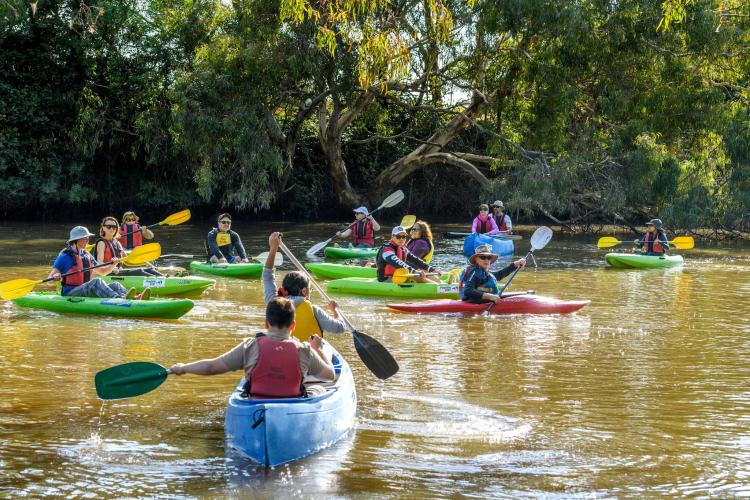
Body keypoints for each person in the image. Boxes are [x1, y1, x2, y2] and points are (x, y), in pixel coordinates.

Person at [169, 297, 335, 398]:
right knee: (319, 388)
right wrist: (319, 349)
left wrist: (183, 368)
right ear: (293, 326)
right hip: (290, 404)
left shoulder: (249, 346)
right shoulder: (304, 350)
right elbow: (329, 375)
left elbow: (212, 367)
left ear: (266, 323)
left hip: (256, 403)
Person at [262, 232, 346, 335]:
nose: (310, 292)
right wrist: (335, 311)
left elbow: (267, 275)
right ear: (304, 291)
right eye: (310, 289)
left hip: (281, 348)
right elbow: (340, 328)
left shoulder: (274, 302)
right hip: (306, 350)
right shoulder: (314, 310)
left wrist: (273, 248)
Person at [48, 226, 149, 299]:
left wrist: (112, 264)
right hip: (70, 292)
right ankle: (119, 299)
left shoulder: (87, 255)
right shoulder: (65, 256)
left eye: (88, 238)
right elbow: (49, 279)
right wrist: (55, 277)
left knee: (116, 285)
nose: (87, 241)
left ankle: (134, 298)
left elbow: (103, 272)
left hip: (86, 289)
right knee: (96, 282)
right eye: (85, 239)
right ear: (76, 240)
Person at [94, 217, 162, 277]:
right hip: (109, 274)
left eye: (114, 227)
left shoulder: (117, 243)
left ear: (117, 229)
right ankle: (161, 281)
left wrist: (147, 263)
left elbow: (128, 261)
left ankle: (166, 278)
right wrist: (111, 267)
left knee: (149, 270)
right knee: (139, 272)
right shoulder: (101, 243)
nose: (111, 229)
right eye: (108, 226)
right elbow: (99, 263)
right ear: (103, 228)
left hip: (119, 272)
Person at [459, 244, 526, 304]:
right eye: (483, 257)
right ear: (476, 259)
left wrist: (516, 264)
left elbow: (499, 275)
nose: (486, 260)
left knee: (526, 294)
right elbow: (467, 290)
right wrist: (490, 296)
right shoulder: (474, 272)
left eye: (489, 258)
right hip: (473, 302)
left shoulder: (485, 272)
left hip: (485, 300)